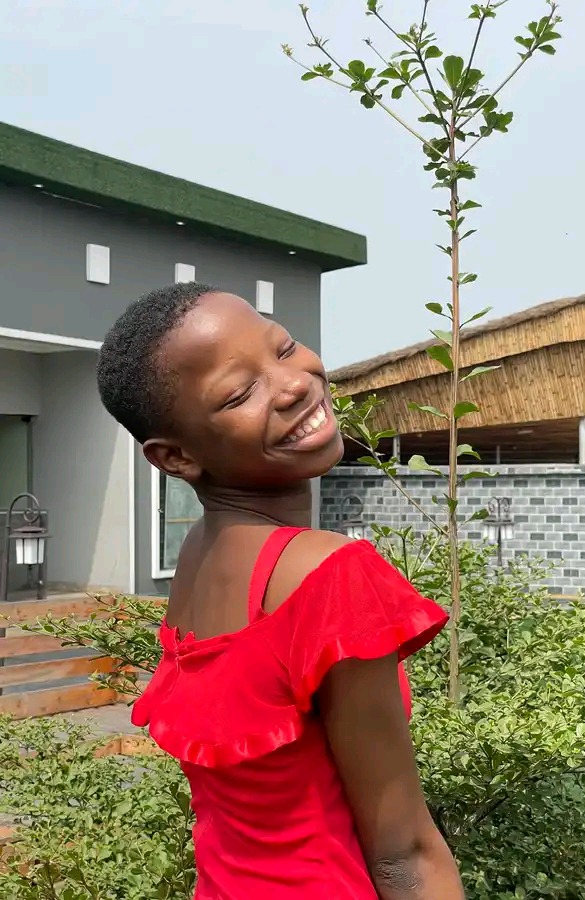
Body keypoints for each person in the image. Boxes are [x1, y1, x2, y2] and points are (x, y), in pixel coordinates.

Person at [97, 282, 464, 900]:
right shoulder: (328, 574)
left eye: (285, 347)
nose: (294, 383)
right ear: (175, 457)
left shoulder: (198, 555)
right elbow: (404, 855)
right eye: (240, 393)